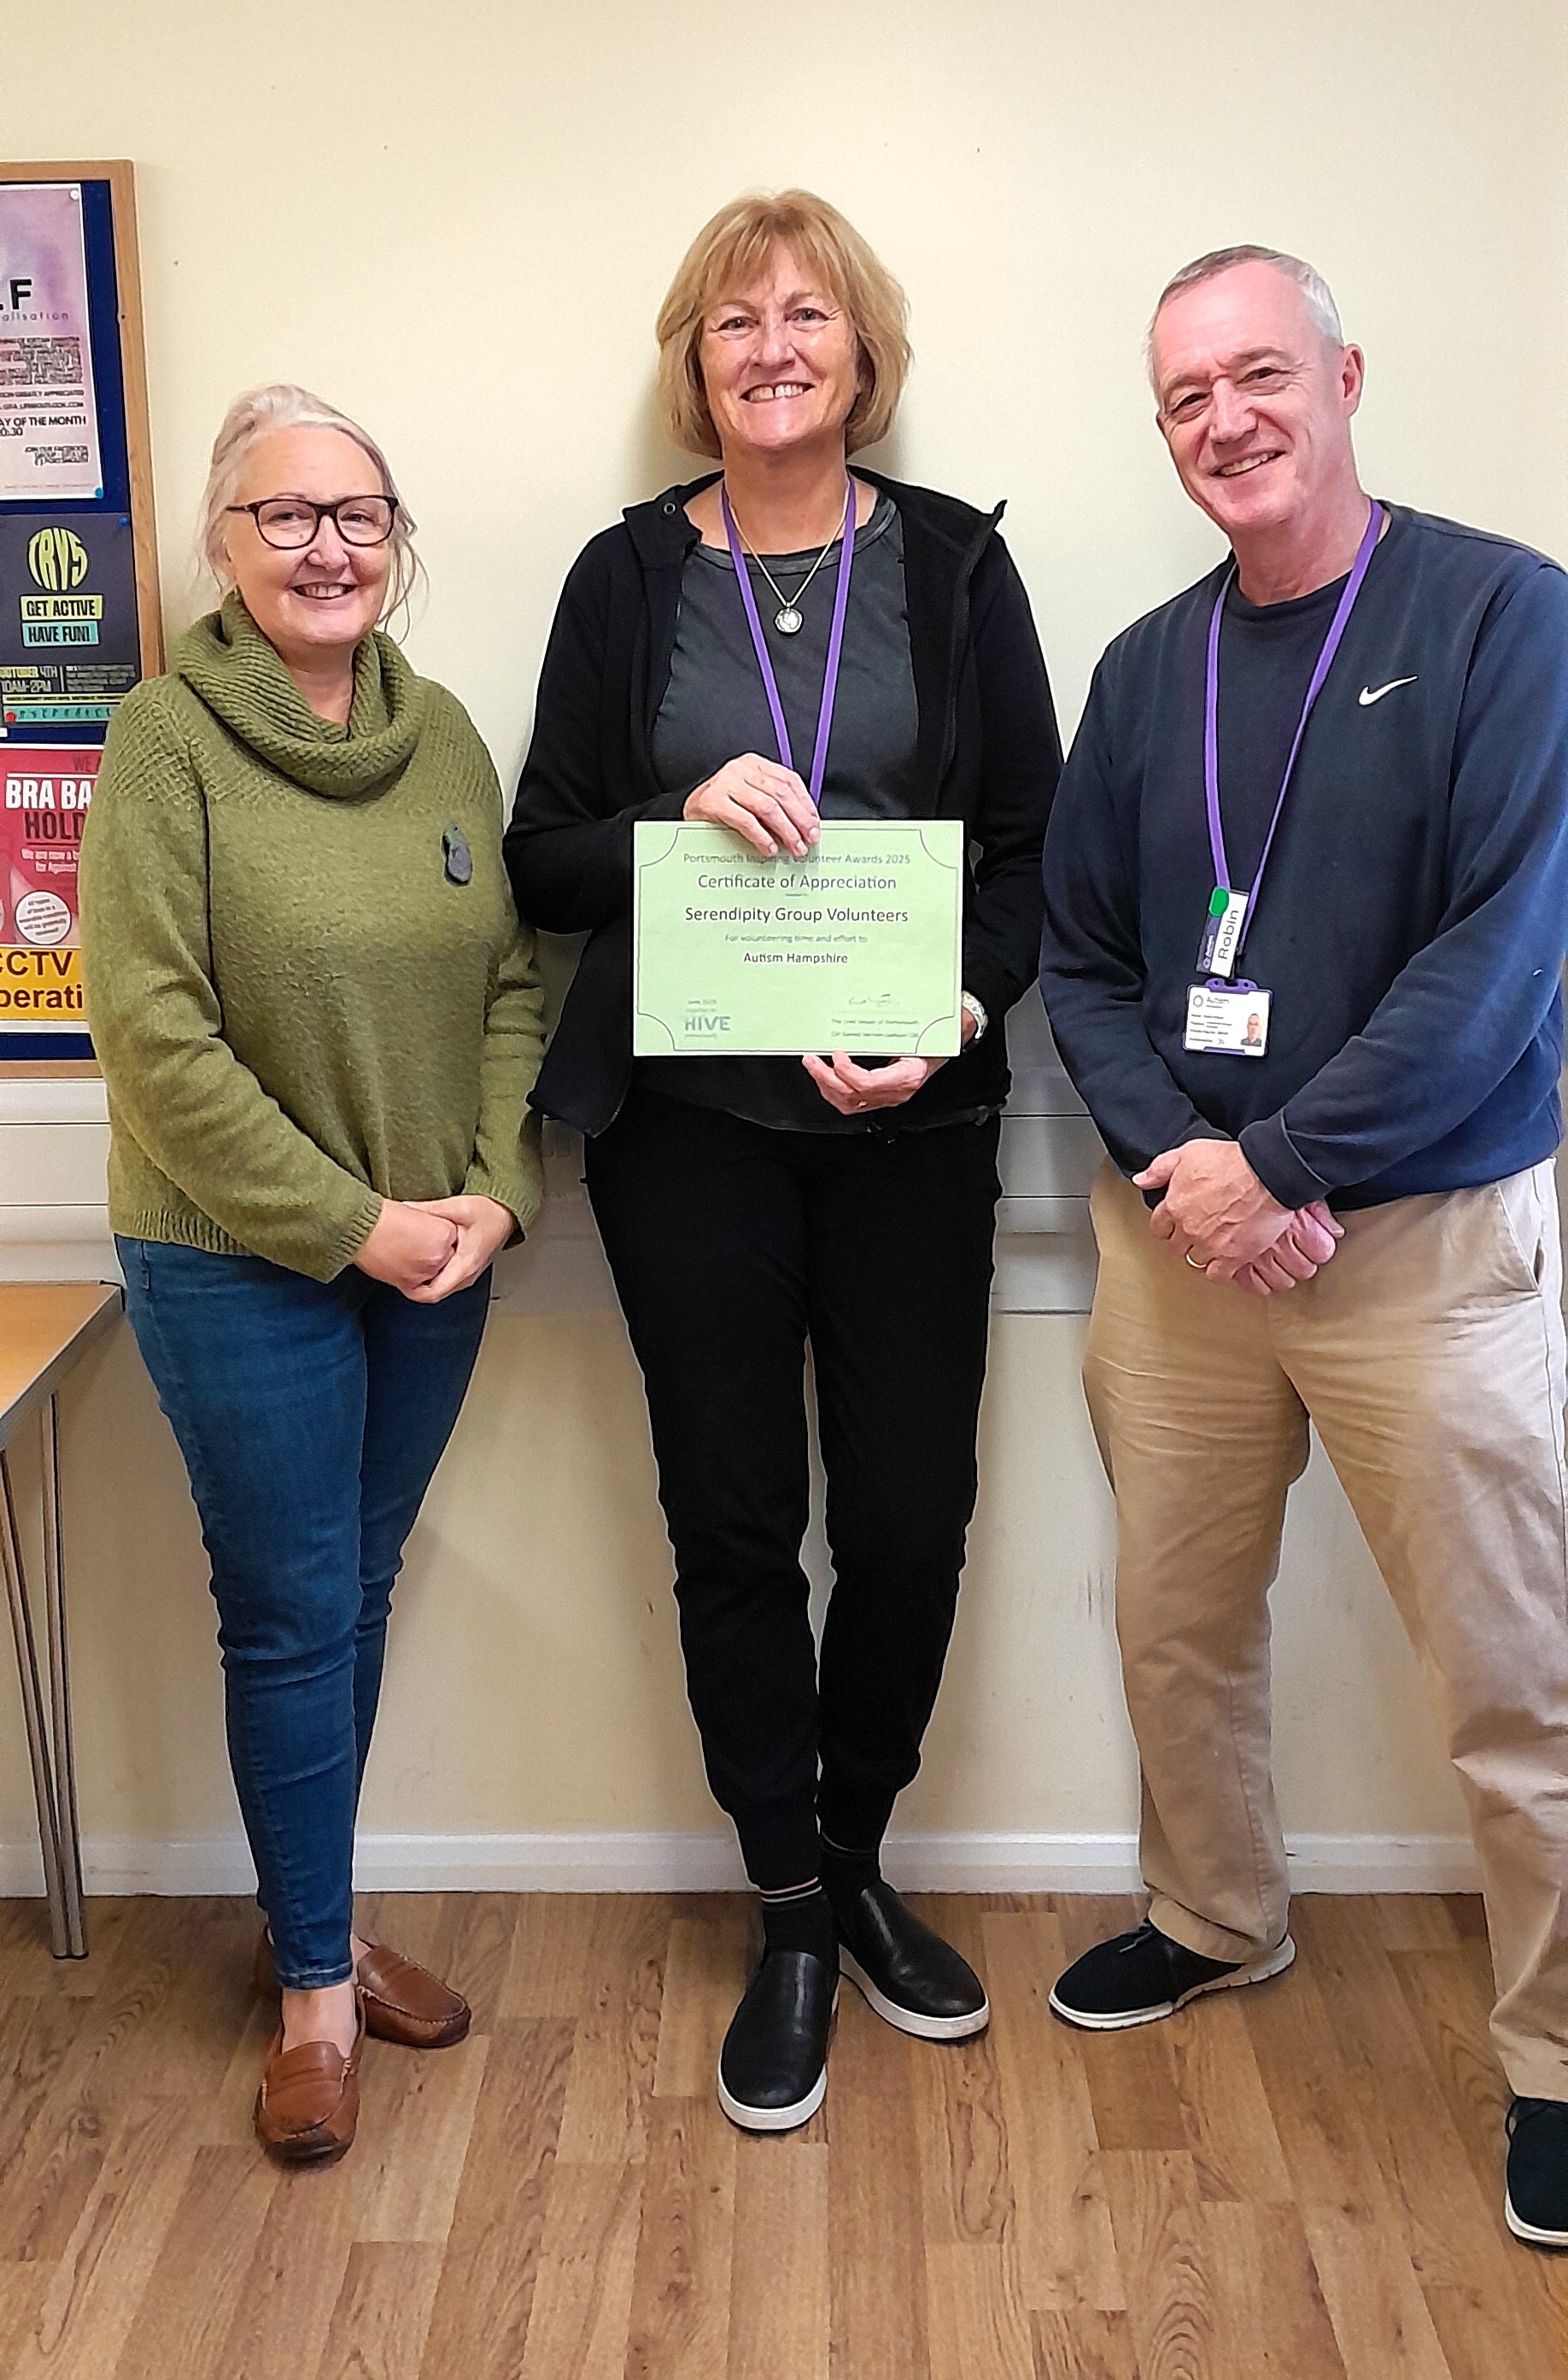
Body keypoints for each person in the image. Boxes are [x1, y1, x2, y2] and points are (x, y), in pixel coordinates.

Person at [506, 190, 1060, 2131]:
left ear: (861, 352)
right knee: (734, 1522)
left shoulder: (961, 565)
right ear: (695, 363)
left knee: (908, 1520)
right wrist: (672, 810)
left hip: (916, 1122)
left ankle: (855, 1845)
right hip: (694, 1139)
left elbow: (1029, 852)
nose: (771, 349)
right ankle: (792, 1911)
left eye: (806, 314)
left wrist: (960, 1013)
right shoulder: (624, 575)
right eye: (734, 321)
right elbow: (542, 854)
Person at [1039, 246, 1568, 2247]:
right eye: (1185, 395)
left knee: (1518, 1675)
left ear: (1345, 377)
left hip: (1422, 1244)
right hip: (1183, 1245)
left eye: (1259, 373)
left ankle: (1561, 2054)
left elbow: (1503, 956)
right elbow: (1082, 963)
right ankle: (1214, 1914)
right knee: (1176, 1624)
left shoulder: (1507, 613)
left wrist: (1284, 1162)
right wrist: (1195, 1167)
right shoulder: (1143, 670)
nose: (1225, 420)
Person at [80, 385, 546, 2164]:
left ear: (395, 538)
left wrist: (492, 1193)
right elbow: (156, 1041)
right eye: (285, 515)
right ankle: (312, 1997)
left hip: (437, 1261)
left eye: (359, 513)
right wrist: (354, 1222)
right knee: (288, 1610)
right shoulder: (163, 742)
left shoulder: (445, 740)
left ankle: (319, 1920)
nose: (328, 546)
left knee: (352, 1592)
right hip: (236, 1265)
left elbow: (509, 984)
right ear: (225, 544)